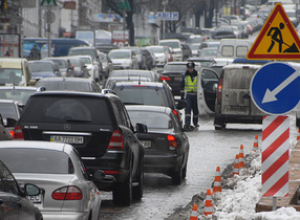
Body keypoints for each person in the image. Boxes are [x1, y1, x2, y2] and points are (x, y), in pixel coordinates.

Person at [180, 62, 199, 131]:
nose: (190, 70)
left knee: (195, 110)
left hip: (196, 95)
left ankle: (195, 123)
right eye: (189, 68)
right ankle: (187, 124)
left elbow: (201, 84)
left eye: (191, 68)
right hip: (188, 95)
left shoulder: (197, 75)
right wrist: (182, 97)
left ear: (193, 68)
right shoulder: (185, 75)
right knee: (187, 110)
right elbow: (182, 86)